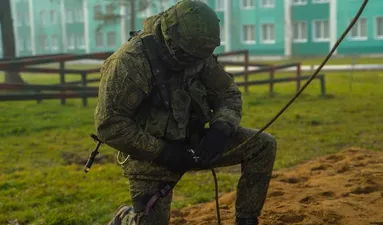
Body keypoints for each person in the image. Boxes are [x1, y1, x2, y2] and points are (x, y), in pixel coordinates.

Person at [94, 0, 277, 224]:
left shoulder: (197, 52)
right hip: (152, 156)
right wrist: (164, 152)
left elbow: (228, 94)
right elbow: (110, 124)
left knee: (263, 145)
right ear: (171, 38)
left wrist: (221, 128)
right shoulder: (129, 62)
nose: (195, 62)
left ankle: (247, 219)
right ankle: (126, 218)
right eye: (189, 56)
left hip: (197, 143)